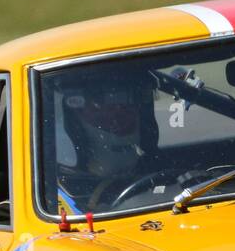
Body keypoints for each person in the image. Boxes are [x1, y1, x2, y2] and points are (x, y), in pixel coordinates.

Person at [54, 66, 160, 209]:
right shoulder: (48, 199)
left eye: (129, 103)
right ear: (74, 121)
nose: (119, 116)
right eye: (100, 106)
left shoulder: (167, 172)